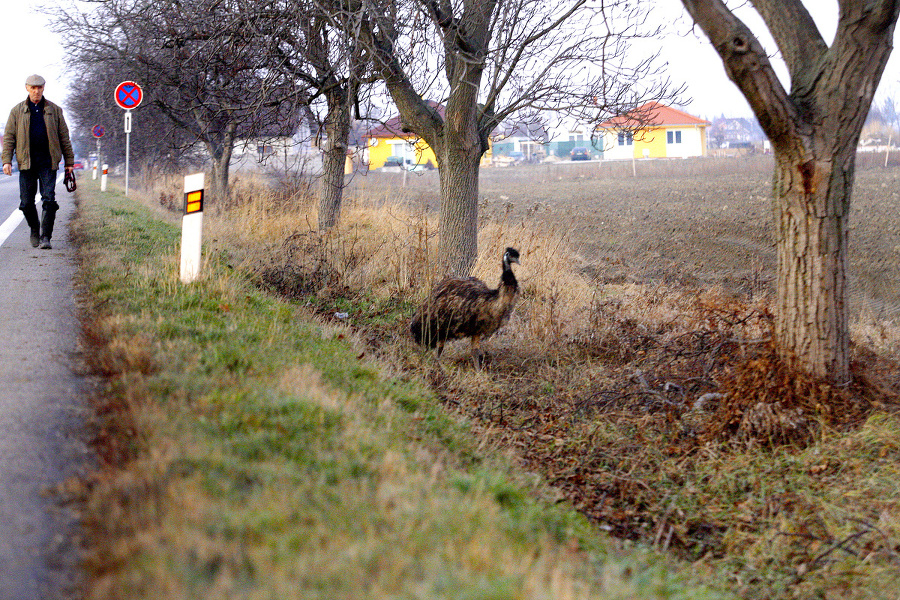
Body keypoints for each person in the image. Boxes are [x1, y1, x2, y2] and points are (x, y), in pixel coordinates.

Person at [1, 75, 75, 250]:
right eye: (33, 88)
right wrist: (7, 161)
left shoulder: (54, 110)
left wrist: (69, 161)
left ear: (44, 88)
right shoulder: (17, 111)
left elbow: (64, 137)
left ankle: (46, 237)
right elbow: (9, 138)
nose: (36, 91)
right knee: (26, 203)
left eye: (39, 87)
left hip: (48, 162)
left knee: (49, 199)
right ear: (27, 88)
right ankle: (34, 228)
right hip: (26, 162)